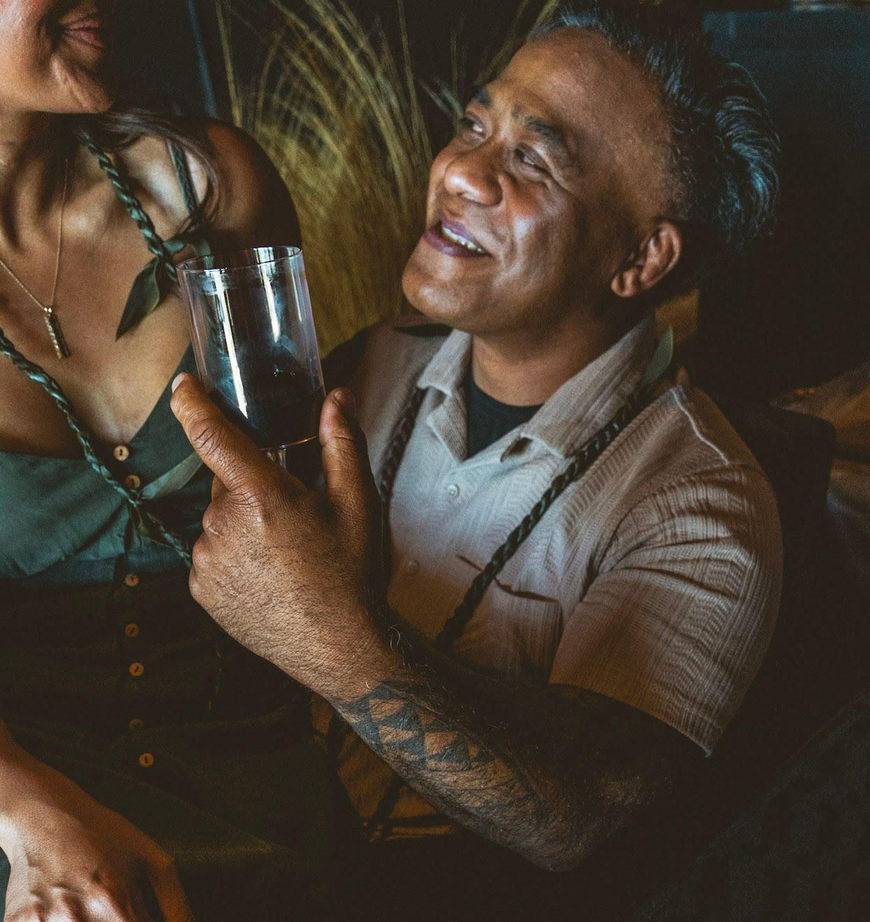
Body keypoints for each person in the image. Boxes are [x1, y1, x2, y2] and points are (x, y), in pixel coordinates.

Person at [169, 0, 784, 916]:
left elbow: (575, 820)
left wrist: (320, 628)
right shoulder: (376, 363)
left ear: (642, 257)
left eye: (532, 159)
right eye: (472, 125)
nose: (459, 171)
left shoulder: (704, 508)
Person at [0, 1, 346, 920]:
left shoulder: (210, 186)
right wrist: (28, 812)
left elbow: (301, 496)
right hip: (27, 828)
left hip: (267, 800)